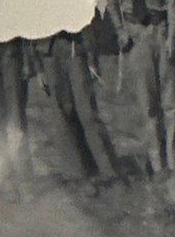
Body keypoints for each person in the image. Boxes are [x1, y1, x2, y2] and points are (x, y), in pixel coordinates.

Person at [103, 0, 175, 176]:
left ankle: (174, 161)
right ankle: (157, 165)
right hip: (136, 34)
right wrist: (120, 31)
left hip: (159, 31)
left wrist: (171, 37)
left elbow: (171, 1)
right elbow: (111, 1)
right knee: (148, 104)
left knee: (170, 103)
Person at [31, 27, 120, 183]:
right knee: (62, 115)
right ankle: (77, 174)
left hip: (74, 46)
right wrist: (38, 68)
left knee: (88, 112)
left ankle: (110, 171)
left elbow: (86, 17)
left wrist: (91, 56)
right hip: (48, 51)